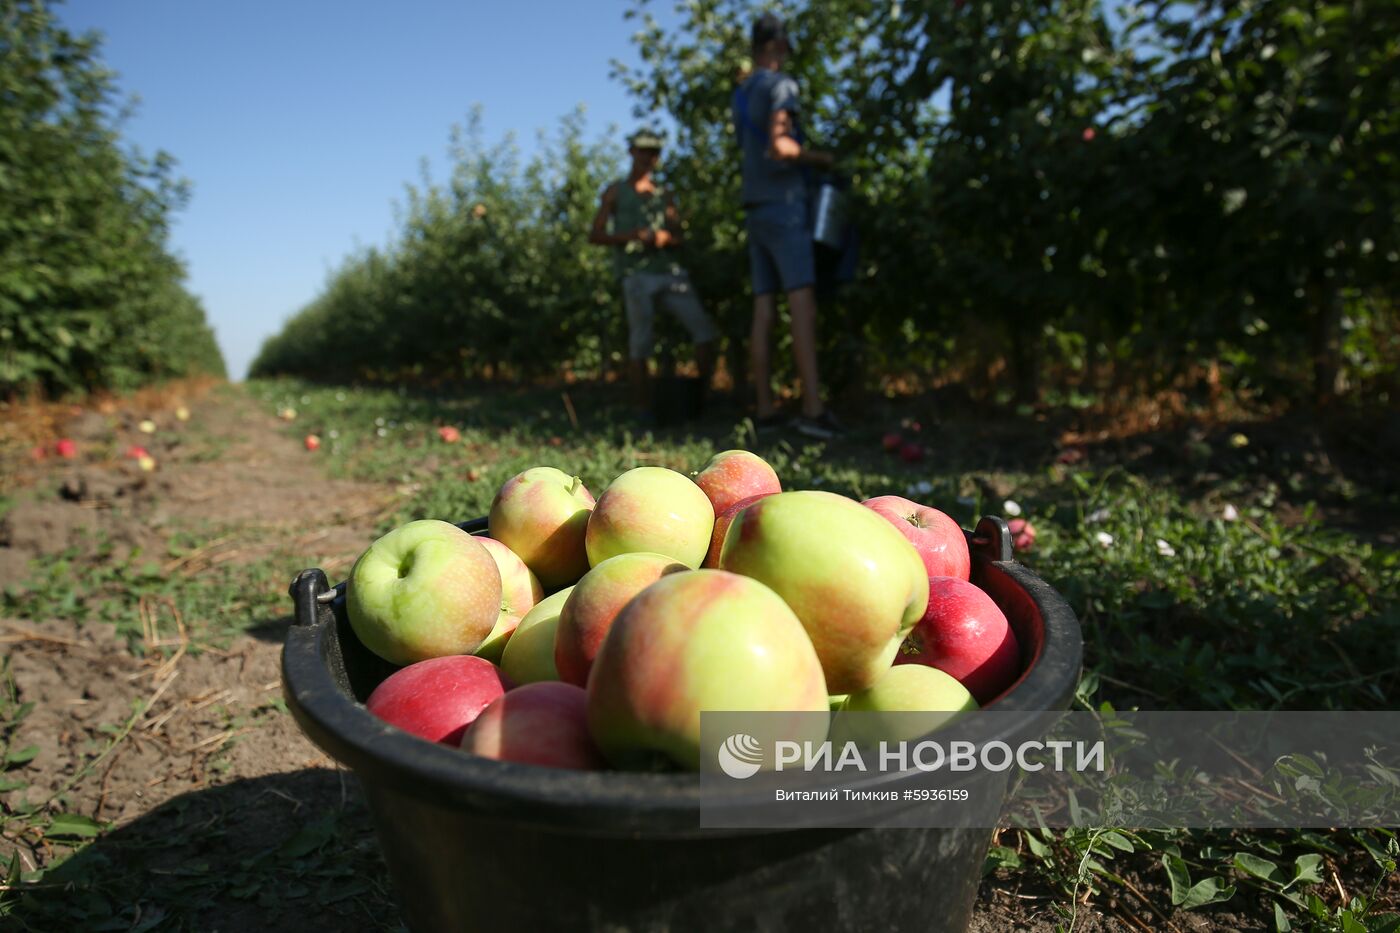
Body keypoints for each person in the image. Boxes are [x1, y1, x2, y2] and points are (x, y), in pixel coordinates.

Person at [733, 13, 843, 439]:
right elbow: (780, 145)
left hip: (755, 208)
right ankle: (813, 410)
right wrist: (820, 158)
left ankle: (764, 408)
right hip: (785, 205)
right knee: (801, 305)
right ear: (777, 47)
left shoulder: (741, 93)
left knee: (764, 308)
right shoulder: (782, 85)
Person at [588, 129, 718, 423]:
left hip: (670, 273)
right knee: (640, 343)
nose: (649, 157)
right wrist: (630, 236)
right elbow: (595, 235)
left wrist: (663, 237)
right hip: (636, 275)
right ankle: (642, 410)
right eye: (644, 151)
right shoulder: (615, 191)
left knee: (704, 331)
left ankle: (704, 399)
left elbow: (678, 236)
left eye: (654, 152)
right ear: (632, 152)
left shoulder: (664, 194)